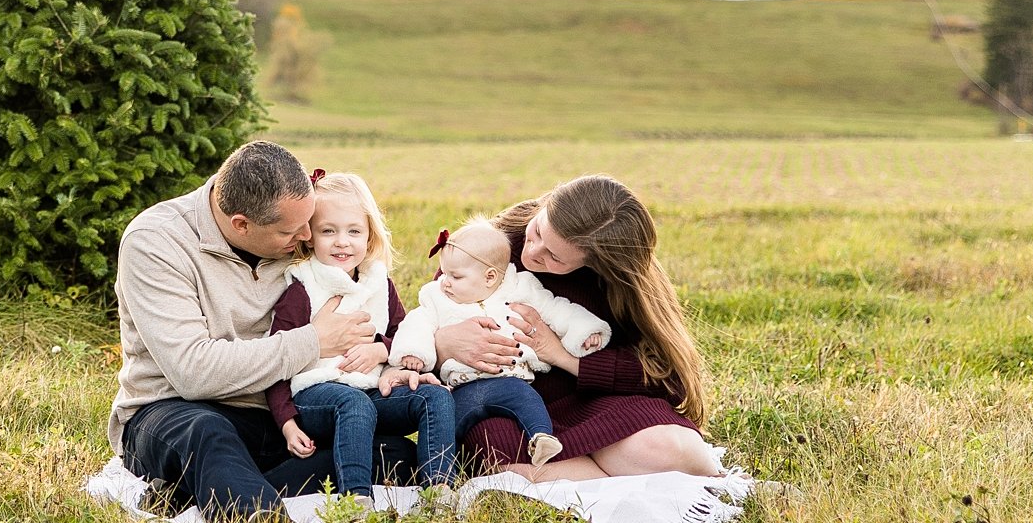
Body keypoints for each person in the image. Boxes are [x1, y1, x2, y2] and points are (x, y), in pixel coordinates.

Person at [109, 140, 377, 523]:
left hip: (281, 412)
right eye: (292, 230)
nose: (307, 237)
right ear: (241, 224)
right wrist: (313, 340)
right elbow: (194, 373)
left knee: (386, 445)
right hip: (176, 412)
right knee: (208, 434)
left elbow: (373, 303)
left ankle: (193, 489)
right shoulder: (157, 242)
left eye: (310, 221)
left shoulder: (299, 236)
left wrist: (434, 342)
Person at [431, 174, 720, 478]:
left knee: (666, 450)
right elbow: (428, 320)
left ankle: (595, 475)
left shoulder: (622, 282)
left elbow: (663, 377)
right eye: (538, 231)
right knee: (497, 451)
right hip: (510, 404)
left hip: (598, 401)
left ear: (596, 262)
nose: (533, 253)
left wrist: (561, 355)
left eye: (554, 257)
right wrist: (444, 344)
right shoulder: (488, 245)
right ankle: (613, 477)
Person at [263, 170, 459, 491]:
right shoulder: (303, 287)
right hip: (315, 396)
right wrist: (286, 422)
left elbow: (406, 332)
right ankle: (356, 499)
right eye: (329, 231)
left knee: (433, 397)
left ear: (369, 236)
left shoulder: (379, 283)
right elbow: (276, 362)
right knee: (353, 403)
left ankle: (440, 488)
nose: (343, 241)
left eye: (354, 231)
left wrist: (382, 350)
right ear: (309, 235)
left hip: (370, 391)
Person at [390, 216, 610, 471]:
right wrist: (413, 352)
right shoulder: (439, 297)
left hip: (510, 381)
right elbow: (418, 322)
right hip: (462, 386)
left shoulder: (520, 289)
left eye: (455, 276)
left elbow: (557, 310)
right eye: (445, 273)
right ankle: (439, 471)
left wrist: (585, 331)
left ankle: (540, 438)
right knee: (444, 423)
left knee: (527, 400)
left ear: (490, 276)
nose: (445, 281)